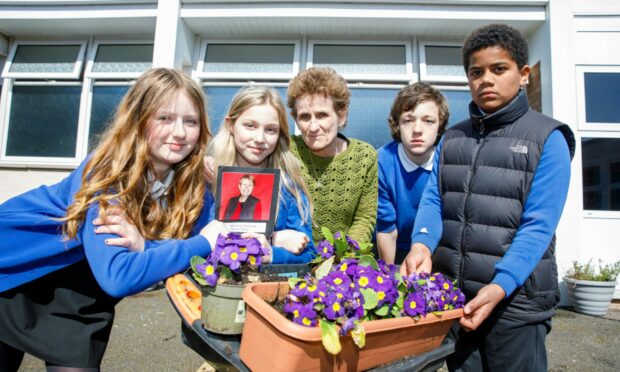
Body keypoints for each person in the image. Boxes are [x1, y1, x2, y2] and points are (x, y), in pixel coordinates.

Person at [0, 68, 229, 371]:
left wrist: (147, 246)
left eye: (191, 121)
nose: (179, 132)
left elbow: (217, 249)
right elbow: (120, 276)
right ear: (138, 119)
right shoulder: (106, 175)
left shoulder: (192, 185)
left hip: (81, 299)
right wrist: (199, 242)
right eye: (164, 118)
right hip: (16, 281)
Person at [400, 24, 575, 371]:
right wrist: (421, 245)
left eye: (499, 69)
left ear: (523, 74)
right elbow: (435, 200)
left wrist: (501, 285)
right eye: (476, 72)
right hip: (457, 300)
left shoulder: (548, 138)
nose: (486, 80)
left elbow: (538, 227)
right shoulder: (452, 138)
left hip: (515, 305)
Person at [210, 85, 315, 263]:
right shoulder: (209, 178)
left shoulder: (288, 187)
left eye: (270, 130)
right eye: (250, 126)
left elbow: (309, 254)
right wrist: (275, 238)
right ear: (231, 125)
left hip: (266, 287)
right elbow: (192, 244)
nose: (259, 138)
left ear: (279, 134)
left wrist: (272, 253)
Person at [286, 67, 378, 243]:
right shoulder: (286, 150)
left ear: (341, 115)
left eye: (322, 115)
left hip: (343, 262)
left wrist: (342, 262)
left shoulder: (364, 156)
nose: (313, 127)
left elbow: (364, 219)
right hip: (293, 260)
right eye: (305, 117)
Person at [376, 82, 449, 265]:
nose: (417, 130)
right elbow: (386, 229)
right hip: (395, 251)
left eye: (428, 121)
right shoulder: (382, 161)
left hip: (440, 251)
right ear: (397, 124)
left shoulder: (451, 159)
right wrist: (389, 279)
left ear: (440, 125)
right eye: (408, 120)